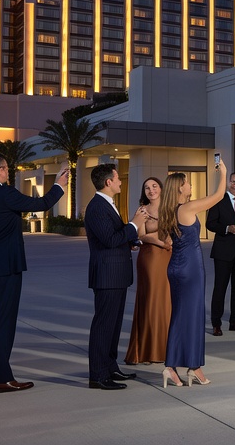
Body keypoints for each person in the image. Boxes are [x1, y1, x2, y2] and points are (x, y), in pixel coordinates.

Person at [0, 153, 65, 393]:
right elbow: (40, 205)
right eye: (7, 169)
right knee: (3, 321)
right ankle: (1, 378)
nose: (8, 173)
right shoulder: (5, 193)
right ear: (0, 170)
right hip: (7, 266)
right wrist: (59, 185)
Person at [158, 164, 228, 387]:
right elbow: (218, 196)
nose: (190, 184)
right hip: (190, 269)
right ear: (180, 187)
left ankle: (184, 365)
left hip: (176, 267)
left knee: (181, 316)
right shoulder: (186, 209)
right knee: (193, 317)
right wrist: (223, 173)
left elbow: (167, 240)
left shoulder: (169, 210)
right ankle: (188, 366)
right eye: (187, 182)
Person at [84, 163, 149, 390]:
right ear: (108, 182)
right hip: (107, 275)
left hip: (116, 274)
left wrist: (131, 238)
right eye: (117, 177)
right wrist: (134, 224)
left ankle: (110, 367)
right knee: (103, 325)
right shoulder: (97, 207)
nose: (121, 180)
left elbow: (115, 237)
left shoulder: (107, 204)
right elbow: (109, 239)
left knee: (113, 324)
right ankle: (98, 376)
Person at [125, 176, 172, 365]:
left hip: (170, 258)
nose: (151, 190)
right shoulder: (142, 211)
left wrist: (164, 240)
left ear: (161, 188)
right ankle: (147, 350)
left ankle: (167, 348)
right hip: (150, 259)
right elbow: (141, 236)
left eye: (154, 186)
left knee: (167, 300)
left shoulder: (171, 208)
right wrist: (160, 240)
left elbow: (177, 231)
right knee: (151, 299)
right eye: (147, 188)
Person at [205, 170, 235, 336]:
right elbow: (210, 223)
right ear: (228, 183)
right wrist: (227, 229)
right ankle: (216, 323)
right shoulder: (218, 201)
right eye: (233, 182)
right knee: (220, 288)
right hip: (223, 252)